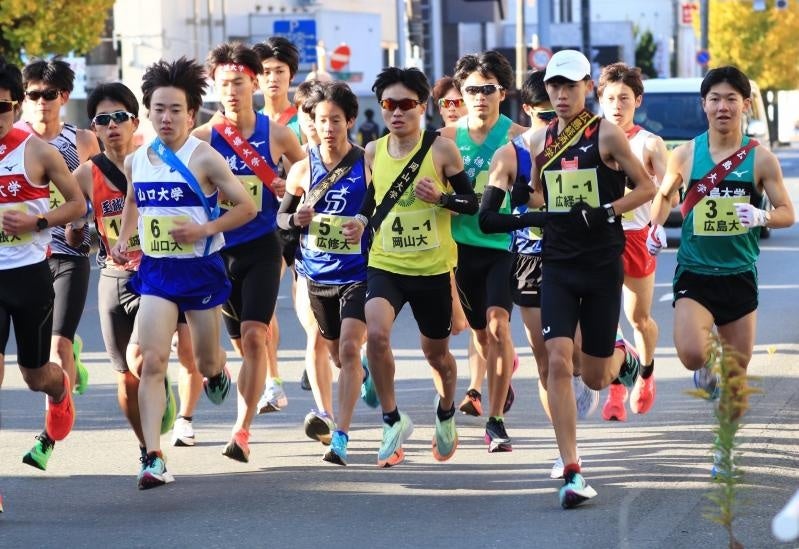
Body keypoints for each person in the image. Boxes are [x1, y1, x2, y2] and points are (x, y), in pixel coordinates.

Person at [111, 56, 256, 489]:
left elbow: (247, 207)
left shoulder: (204, 157)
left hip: (201, 270)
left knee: (206, 359)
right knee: (152, 360)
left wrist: (204, 228)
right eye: (158, 109)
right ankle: (153, 456)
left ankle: (217, 372)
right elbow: (135, 203)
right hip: (156, 272)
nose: (167, 117)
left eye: (176, 109)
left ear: (191, 113)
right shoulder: (137, 159)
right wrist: (124, 238)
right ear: (148, 112)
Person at [648, 66, 794, 474]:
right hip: (695, 272)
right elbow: (664, 197)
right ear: (704, 105)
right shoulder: (685, 154)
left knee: (737, 375)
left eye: (732, 98)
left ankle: (725, 449)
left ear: (745, 104)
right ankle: (704, 371)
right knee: (693, 354)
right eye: (715, 98)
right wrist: (655, 228)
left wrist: (760, 217)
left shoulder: (760, 158)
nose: (723, 106)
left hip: (739, 274)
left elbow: (787, 213)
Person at [528, 50, 656, 508]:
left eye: (570, 86)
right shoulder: (539, 140)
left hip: (602, 264)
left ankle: (620, 355)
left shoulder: (606, 133)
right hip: (558, 264)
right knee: (558, 361)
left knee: (597, 379)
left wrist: (604, 211)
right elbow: (540, 192)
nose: (561, 95)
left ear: (587, 88)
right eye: (554, 87)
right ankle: (572, 468)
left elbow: (646, 187)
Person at [349, 66, 478, 467]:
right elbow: (375, 201)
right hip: (386, 262)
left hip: (432, 269)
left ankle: (445, 411)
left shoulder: (441, 150)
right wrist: (360, 221)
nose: (397, 112)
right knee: (377, 334)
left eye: (406, 104)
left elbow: (471, 203)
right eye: (389, 104)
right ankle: (392, 420)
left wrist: (441, 198)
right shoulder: (373, 151)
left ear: (422, 107)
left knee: (436, 356)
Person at [478, 70, 599, 477]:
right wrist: (526, 211)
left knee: (580, 358)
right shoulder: (512, 153)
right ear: (528, 109)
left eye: (558, 109)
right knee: (548, 361)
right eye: (545, 112)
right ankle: (565, 448)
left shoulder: (589, 142)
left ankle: (614, 354)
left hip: (576, 256)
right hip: (529, 261)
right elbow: (488, 217)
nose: (555, 118)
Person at [193, 42, 304, 462]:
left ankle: (241, 430)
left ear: (253, 82)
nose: (231, 91)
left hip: (261, 246)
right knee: (231, 344)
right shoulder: (203, 138)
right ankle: (216, 369)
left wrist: (287, 187)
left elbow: (305, 174)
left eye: (238, 82)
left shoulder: (277, 133)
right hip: (217, 250)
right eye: (224, 84)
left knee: (257, 335)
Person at [71, 83, 171, 467]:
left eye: (118, 118)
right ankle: (147, 448)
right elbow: (76, 223)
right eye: (102, 120)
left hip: (155, 273)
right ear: (94, 128)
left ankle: (157, 427)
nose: (111, 126)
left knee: (142, 361)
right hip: (113, 275)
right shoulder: (85, 175)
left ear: (134, 121)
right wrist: (77, 232)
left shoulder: (157, 160)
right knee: (125, 380)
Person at [278, 81, 377, 465]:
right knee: (335, 353)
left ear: (350, 120)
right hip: (318, 277)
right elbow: (281, 219)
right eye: (322, 120)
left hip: (358, 273)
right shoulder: (302, 169)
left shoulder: (366, 164)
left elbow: (381, 209)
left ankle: (341, 435)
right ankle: (356, 371)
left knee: (350, 348)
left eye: (336, 119)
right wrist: (296, 218)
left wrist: (364, 220)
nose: (329, 127)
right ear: (312, 124)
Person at [0, 56, 85, 468]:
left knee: (35, 375)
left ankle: (60, 389)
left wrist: (37, 220)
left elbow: (76, 203)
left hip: (29, 275)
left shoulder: (37, 151)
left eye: (2, 106)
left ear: (16, 106)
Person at [439, 51, 526, 452]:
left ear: (502, 93)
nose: (479, 97)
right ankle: (497, 375)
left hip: (501, 245)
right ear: (461, 92)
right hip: (457, 249)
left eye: (487, 89)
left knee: (498, 326)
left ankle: (496, 421)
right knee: (478, 334)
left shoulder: (518, 137)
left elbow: (536, 189)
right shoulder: (445, 139)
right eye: (471, 89)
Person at [18, 58, 100, 467]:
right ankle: (67, 372)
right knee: (37, 360)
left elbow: (101, 192)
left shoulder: (82, 140)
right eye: (33, 95)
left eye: (49, 95)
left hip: (70, 251)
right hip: (26, 258)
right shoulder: (15, 143)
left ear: (63, 97)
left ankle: (47, 438)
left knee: (58, 344)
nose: (40, 103)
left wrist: (96, 231)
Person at [597, 62, 669, 421]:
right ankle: (615, 386)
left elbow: (669, 191)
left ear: (637, 101)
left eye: (624, 98)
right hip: (597, 237)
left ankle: (647, 371)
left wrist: (657, 223)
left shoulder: (649, 142)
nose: (616, 105)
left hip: (636, 236)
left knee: (637, 317)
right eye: (610, 98)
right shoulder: (589, 139)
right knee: (605, 316)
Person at [252, 36, 308, 404]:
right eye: (265, 72)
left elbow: (315, 169)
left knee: (304, 295)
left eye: (279, 72)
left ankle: (316, 349)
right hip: (258, 222)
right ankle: (273, 378)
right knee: (265, 304)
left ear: (291, 76)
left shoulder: (303, 118)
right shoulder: (243, 124)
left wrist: (289, 179)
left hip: (301, 218)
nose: (272, 79)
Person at [431, 76, 469, 337]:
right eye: (446, 102)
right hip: (441, 239)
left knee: (483, 320)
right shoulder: (431, 144)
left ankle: (482, 378)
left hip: (477, 235)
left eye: (459, 101)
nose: (453, 107)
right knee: (456, 322)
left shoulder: (483, 139)